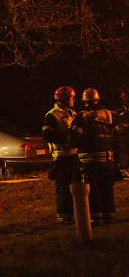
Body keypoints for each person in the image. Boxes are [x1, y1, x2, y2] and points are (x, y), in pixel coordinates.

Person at [68, 88, 116, 224]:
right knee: (107, 187)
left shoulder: (81, 117)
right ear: (97, 100)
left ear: (84, 102)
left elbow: (73, 139)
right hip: (107, 159)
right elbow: (117, 138)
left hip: (88, 160)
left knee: (92, 189)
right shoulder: (109, 115)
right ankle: (109, 215)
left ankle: (96, 217)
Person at [42, 86, 78, 224]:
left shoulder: (73, 114)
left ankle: (77, 214)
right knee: (63, 189)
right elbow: (47, 135)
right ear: (65, 99)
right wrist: (67, 138)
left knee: (76, 187)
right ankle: (64, 217)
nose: (73, 100)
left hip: (74, 155)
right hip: (61, 157)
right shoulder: (52, 115)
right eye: (72, 98)